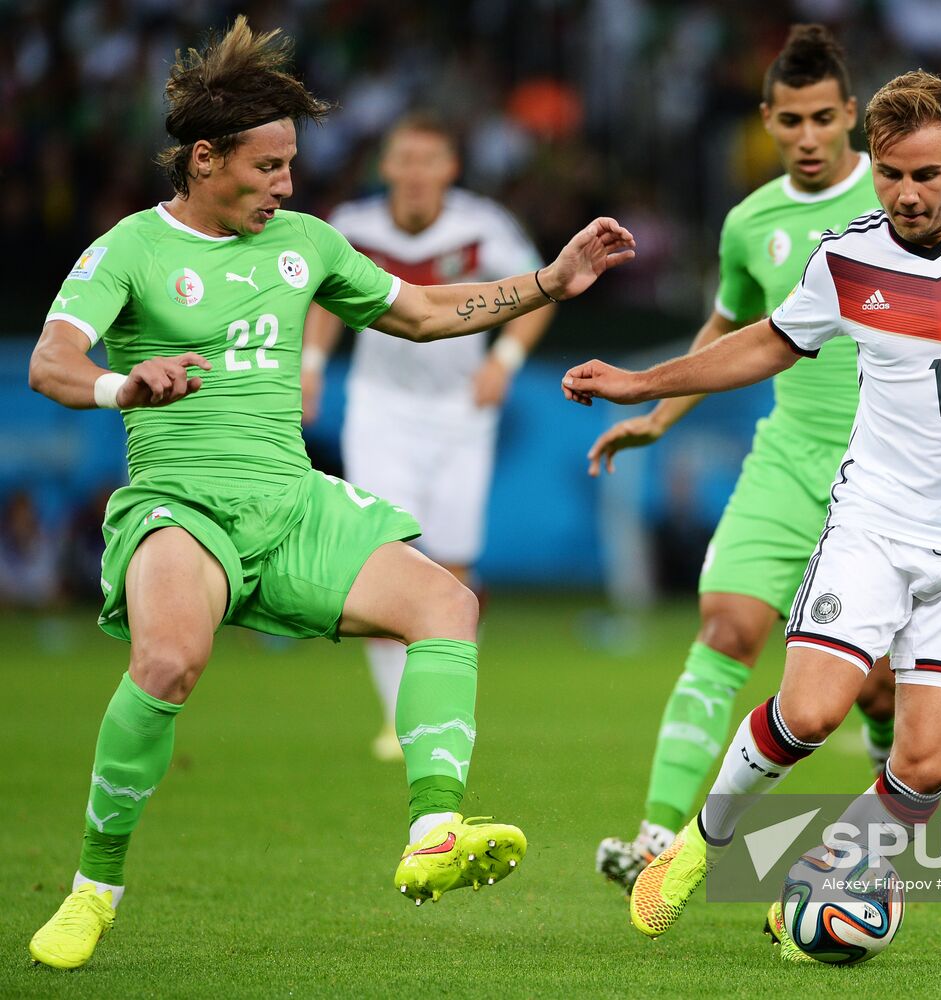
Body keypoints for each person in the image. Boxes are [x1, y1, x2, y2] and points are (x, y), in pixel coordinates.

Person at [26, 17, 633, 971]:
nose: (288, 185)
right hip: (182, 506)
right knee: (171, 665)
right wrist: (122, 384)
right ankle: (94, 888)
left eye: (292, 164)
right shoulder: (131, 249)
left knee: (447, 604)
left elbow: (426, 312)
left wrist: (551, 281)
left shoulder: (307, 244)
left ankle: (435, 828)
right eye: (269, 166)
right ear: (203, 158)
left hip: (293, 501)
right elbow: (52, 361)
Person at [562, 69, 941, 956]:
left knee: (924, 765)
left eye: (925, 174)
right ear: (872, 166)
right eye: (890, 175)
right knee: (809, 713)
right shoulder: (847, 259)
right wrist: (643, 383)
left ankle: (821, 880)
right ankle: (699, 845)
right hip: (875, 521)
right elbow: (765, 342)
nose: (907, 194)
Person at [588, 25, 896, 893]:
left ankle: (885, 820)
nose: (805, 136)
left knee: (875, 690)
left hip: (883, 479)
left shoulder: (904, 198)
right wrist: (658, 417)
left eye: (823, 119)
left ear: (852, 119)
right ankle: (656, 836)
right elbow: (727, 333)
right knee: (726, 626)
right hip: (787, 460)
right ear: (766, 119)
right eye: (789, 120)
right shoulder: (750, 222)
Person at [301, 113, 554, 763]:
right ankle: (396, 718)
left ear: (451, 168)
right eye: (404, 160)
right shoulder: (353, 227)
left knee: (458, 568)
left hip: (459, 412)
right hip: (380, 410)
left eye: (429, 160)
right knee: (388, 558)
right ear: (385, 167)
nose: (415, 174)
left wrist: (503, 361)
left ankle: (445, 704)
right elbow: (327, 300)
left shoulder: (482, 226)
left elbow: (540, 291)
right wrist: (310, 366)